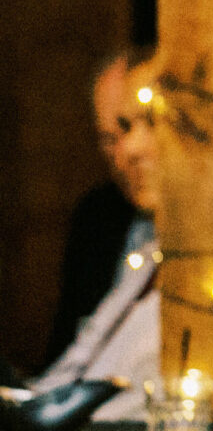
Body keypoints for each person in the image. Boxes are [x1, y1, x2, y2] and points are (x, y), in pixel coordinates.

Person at [28, 50, 160, 421]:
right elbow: (65, 368)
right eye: (111, 137)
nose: (127, 152)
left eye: (149, 122)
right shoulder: (113, 225)